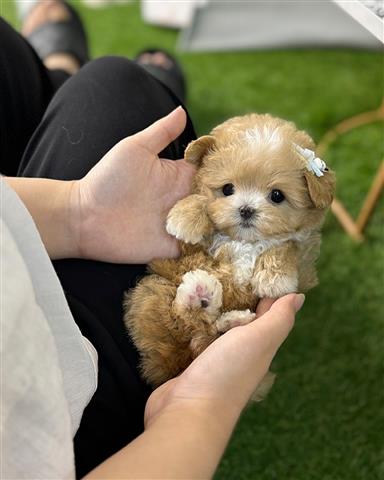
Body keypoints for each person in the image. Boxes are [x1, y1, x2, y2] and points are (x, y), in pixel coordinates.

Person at [1, 2, 305, 478]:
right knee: (119, 88)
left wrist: (75, 212)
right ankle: (59, 72)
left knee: (20, 63)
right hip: (58, 394)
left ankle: (55, 74)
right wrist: (198, 407)